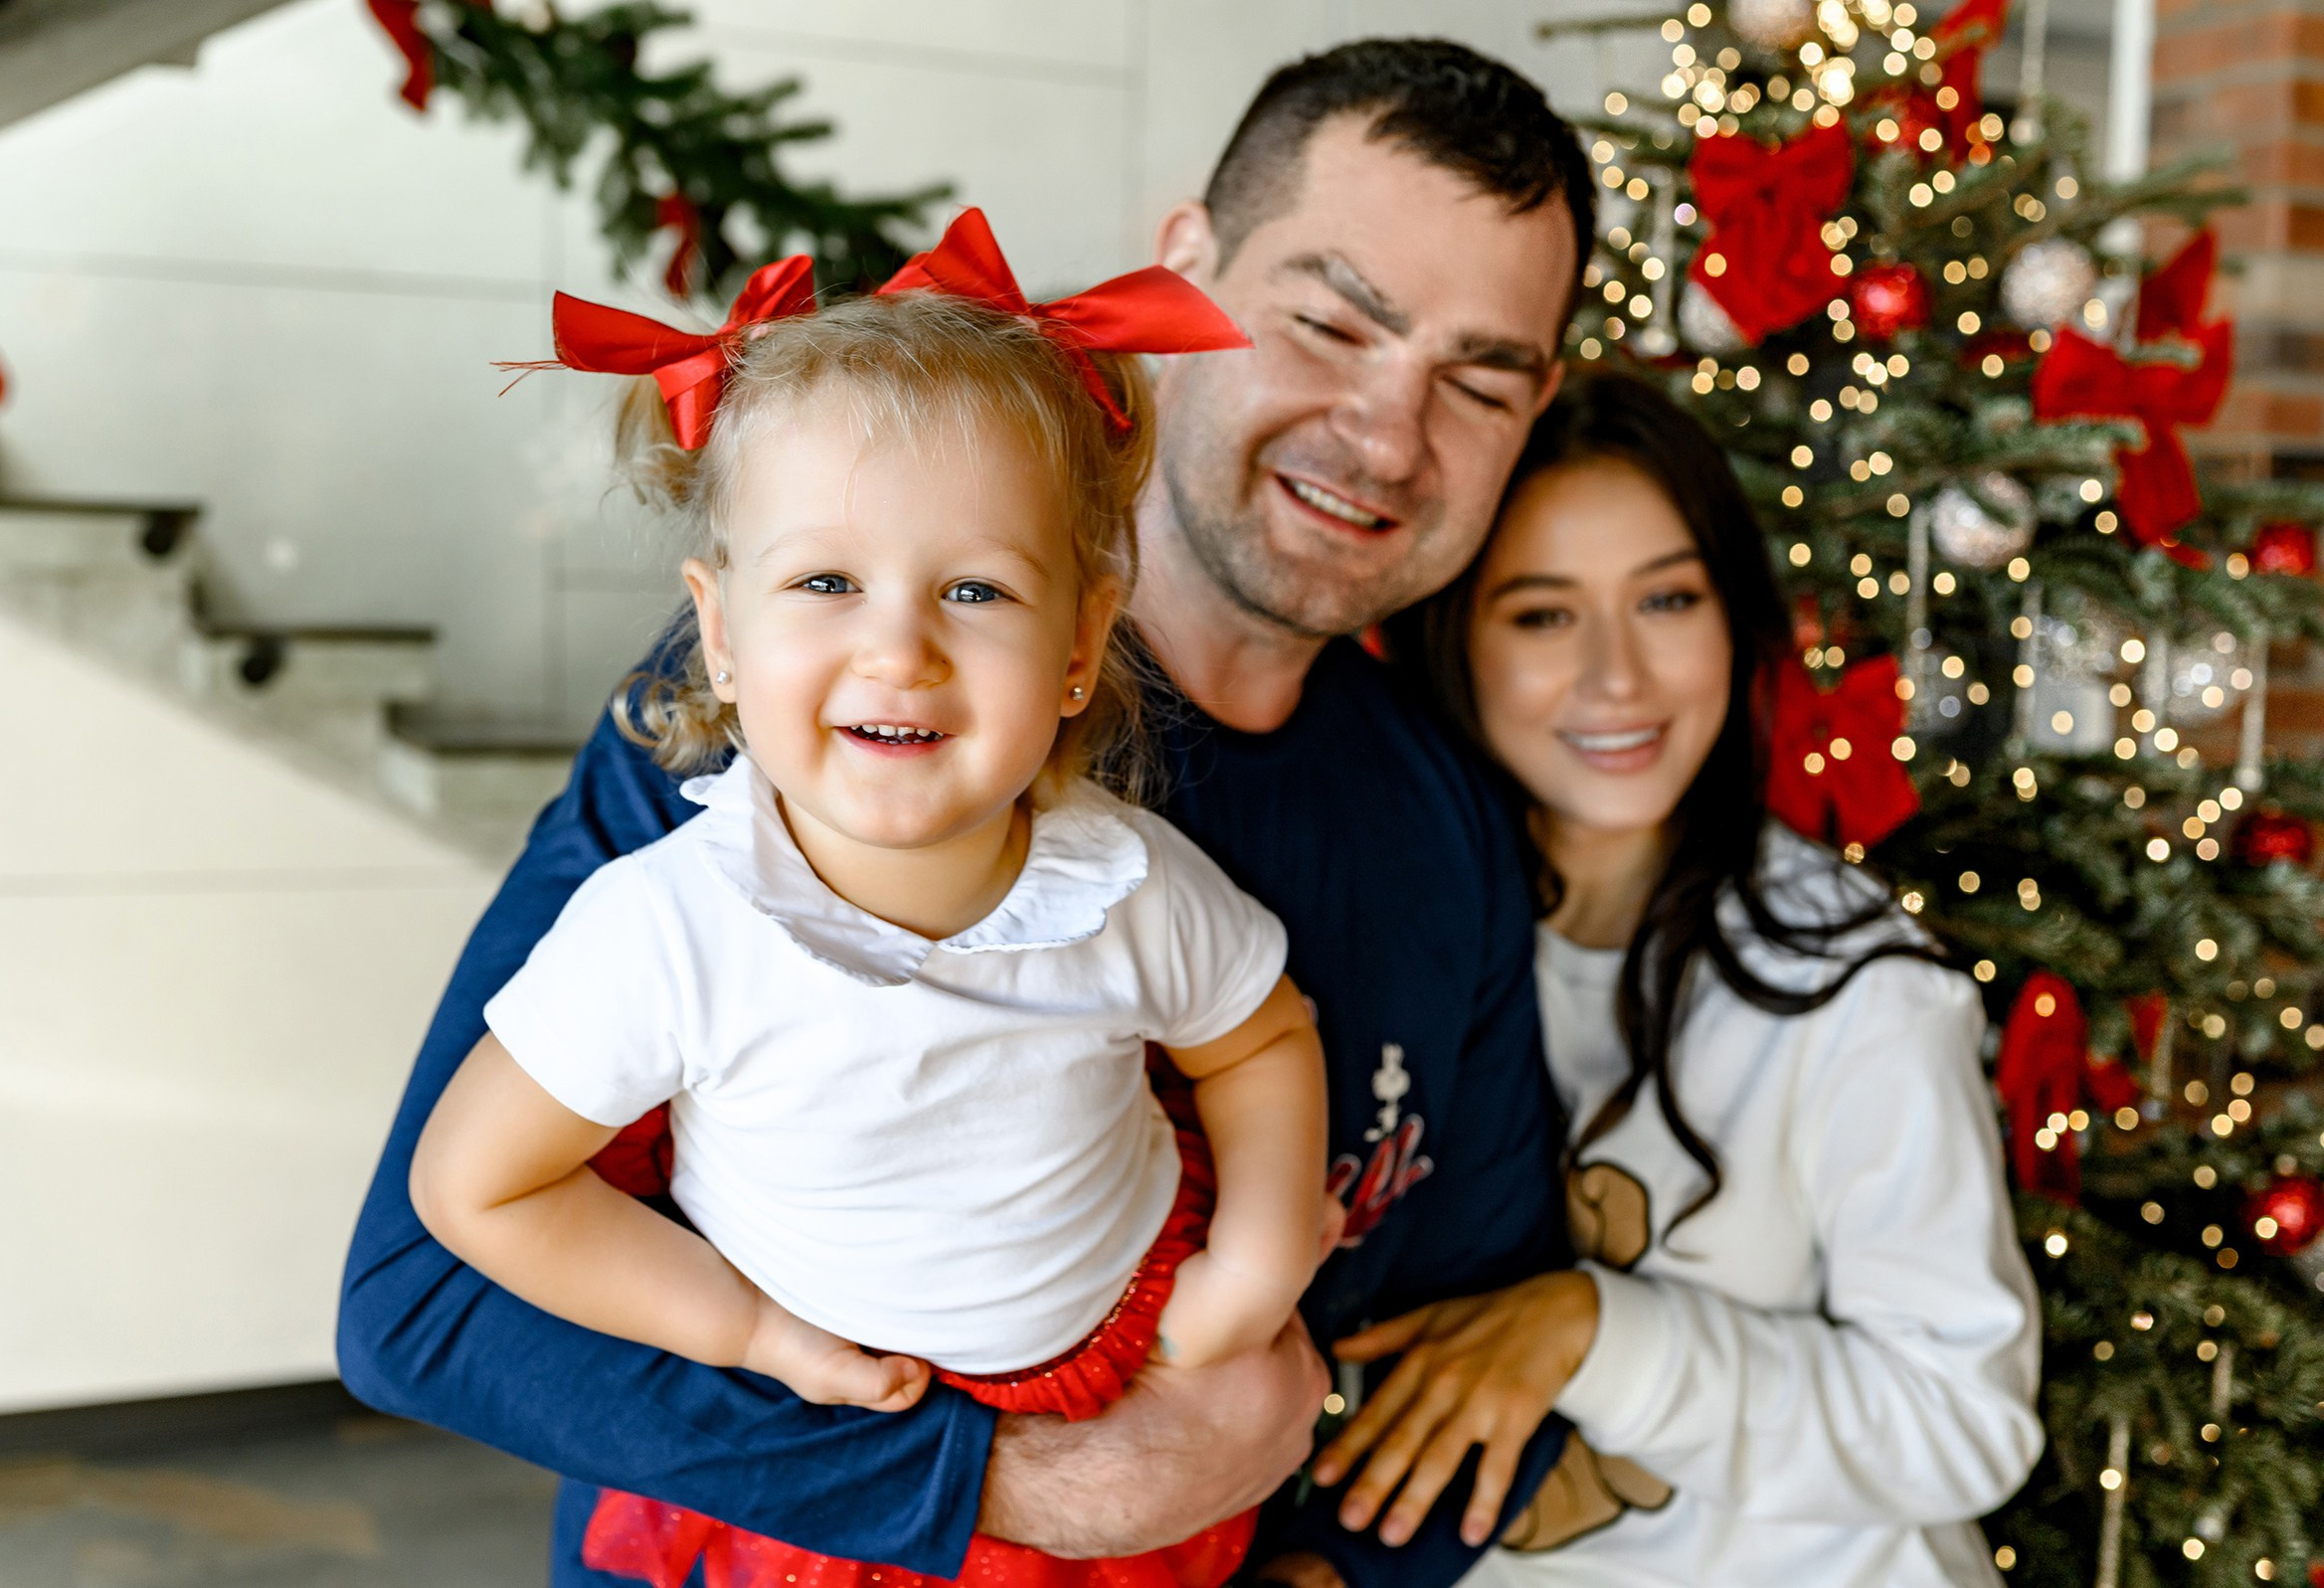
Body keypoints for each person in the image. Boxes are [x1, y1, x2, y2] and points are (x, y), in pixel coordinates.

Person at [337, 37, 1594, 1588]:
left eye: (1481, 379)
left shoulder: (1440, 817)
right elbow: (418, 1305)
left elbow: (1477, 1318)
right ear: (1183, 266)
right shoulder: (804, 730)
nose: (1390, 435)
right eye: (1331, 321)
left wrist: (1531, 1358)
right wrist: (1021, 1485)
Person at [411, 226, 1338, 1588]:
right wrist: (743, 1333)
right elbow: (475, 1184)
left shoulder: (1126, 880)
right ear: (719, 633)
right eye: (826, 583)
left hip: (1127, 1383)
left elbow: (1258, 1036)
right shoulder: (667, 928)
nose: (899, 648)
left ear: (1080, 644)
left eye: (975, 589)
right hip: (839, 1455)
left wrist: (1254, 1268)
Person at [1326, 374, 2043, 1586]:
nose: (1618, 679)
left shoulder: (1851, 984)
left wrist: (1594, 1332)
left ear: (1736, 619)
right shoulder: (1373, 940)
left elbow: (1965, 1418)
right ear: (1453, 639)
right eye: (1543, 615)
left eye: (1666, 599)